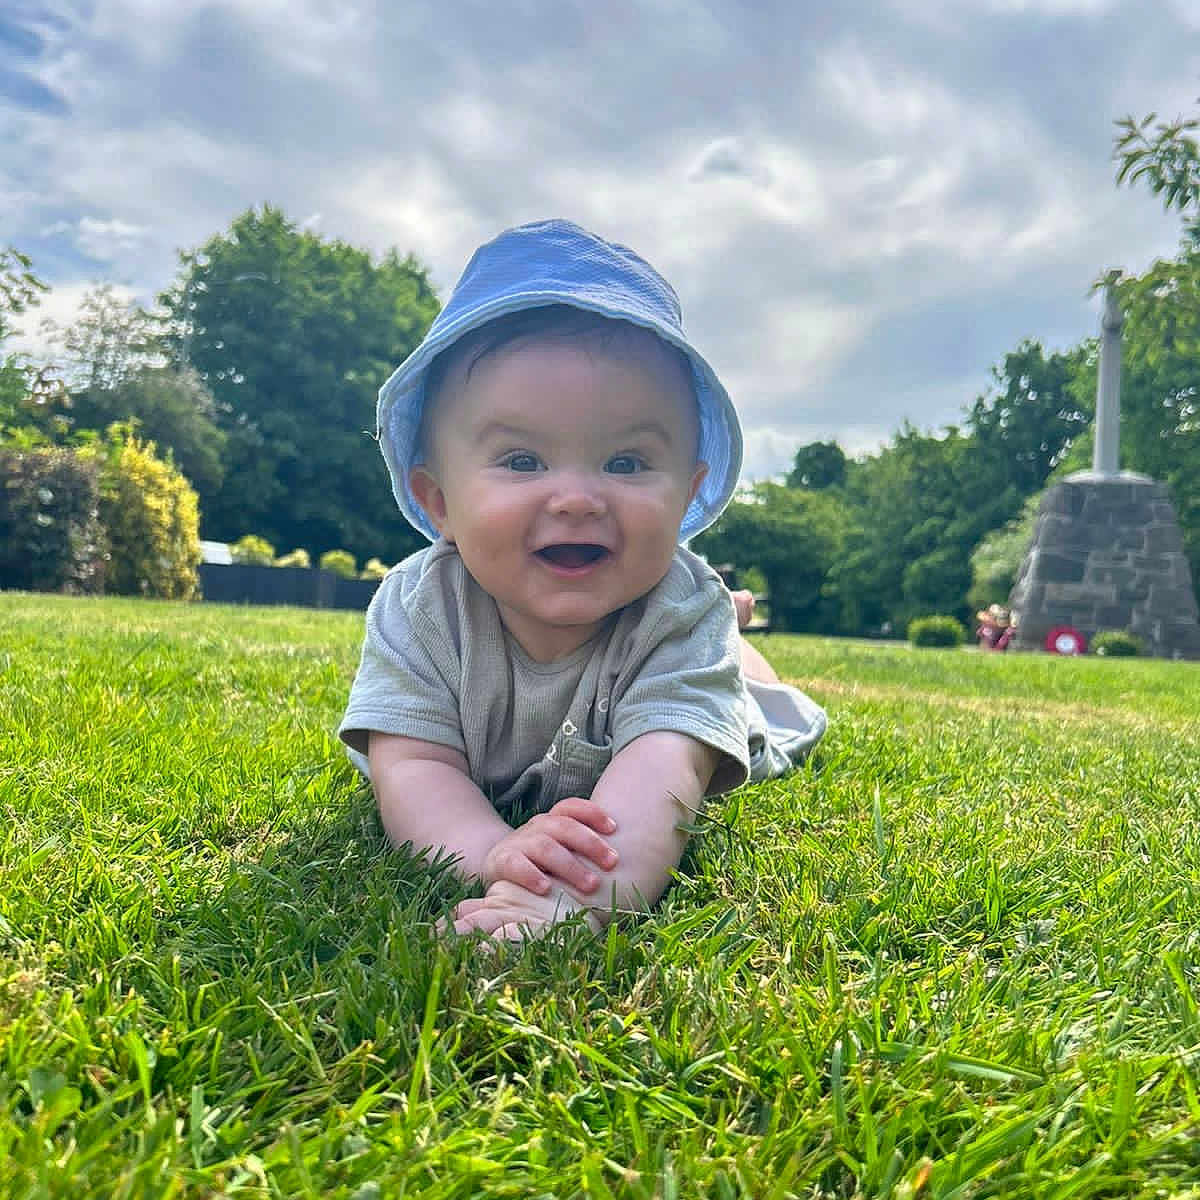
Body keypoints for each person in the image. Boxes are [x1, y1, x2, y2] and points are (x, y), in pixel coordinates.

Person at [339, 219, 826, 941]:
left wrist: (575, 898)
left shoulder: (675, 610)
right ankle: (740, 630)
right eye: (523, 461)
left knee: (745, 691)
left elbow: (664, 769)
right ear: (439, 502)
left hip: (686, 673)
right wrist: (490, 853)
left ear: (686, 496)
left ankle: (737, 640)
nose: (575, 498)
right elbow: (410, 762)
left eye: (626, 463)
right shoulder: (422, 607)